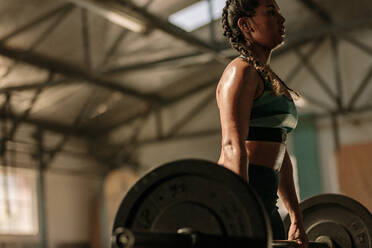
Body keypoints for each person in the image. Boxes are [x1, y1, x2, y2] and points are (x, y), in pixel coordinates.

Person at [216, 0, 309, 247]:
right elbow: (231, 144)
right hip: (239, 196)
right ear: (246, 24)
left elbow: (279, 151)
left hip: (265, 199)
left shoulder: (266, 76)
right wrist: (241, 210)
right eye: (271, 12)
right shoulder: (241, 71)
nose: (282, 19)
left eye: (278, 11)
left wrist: (296, 218)